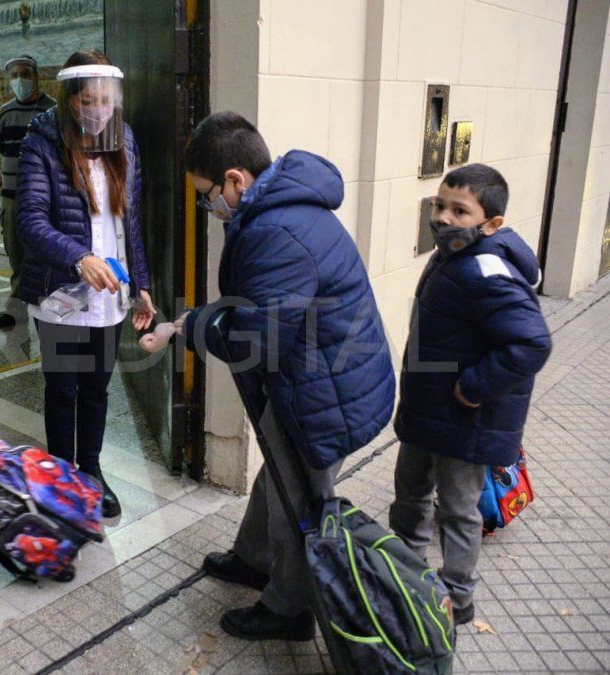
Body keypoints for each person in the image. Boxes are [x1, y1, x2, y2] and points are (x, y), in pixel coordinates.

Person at [176, 112, 395, 641]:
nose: (208, 208)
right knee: (278, 473)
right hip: (319, 375)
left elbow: (255, 337)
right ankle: (253, 558)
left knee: (300, 501)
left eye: (207, 196)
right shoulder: (284, 206)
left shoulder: (277, 229)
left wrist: (190, 326)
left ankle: (288, 608)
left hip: (326, 392)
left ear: (235, 180)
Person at [389, 164, 552, 626]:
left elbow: (532, 343)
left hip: (463, 420)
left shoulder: (487, 268)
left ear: (492, 223)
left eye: (460, 211)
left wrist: (473, 388)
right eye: (440, 205)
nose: (443, 217)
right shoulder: (453, 254)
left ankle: (457, 599)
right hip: (428, 409)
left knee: (459, 511)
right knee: (410, 497)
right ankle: (406, 580)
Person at [16, 50, 155, 520]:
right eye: (87, 101)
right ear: (69, 101)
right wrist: (78, 257)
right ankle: (61, 476)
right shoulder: (42, 142)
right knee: (63, 388)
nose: (98, 111)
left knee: (97, 386)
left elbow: (129, 222)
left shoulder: (125, 141)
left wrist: (142, 284)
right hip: (63, 293)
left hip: (111, 294)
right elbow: (30, 219)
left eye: (106, 101)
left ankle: (91, 471)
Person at [0, 55, 56, 333]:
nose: (20, 80)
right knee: (16, 257)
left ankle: (50, 311)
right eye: (14, 75)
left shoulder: (52, 111)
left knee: (45, 258)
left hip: (42, 202)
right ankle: (16, 312)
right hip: (12, 200)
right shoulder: (5, 113)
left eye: (25, 73)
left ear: (36, 76)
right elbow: (4, 150)